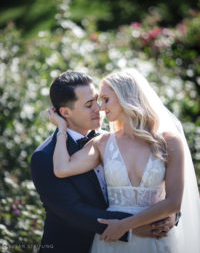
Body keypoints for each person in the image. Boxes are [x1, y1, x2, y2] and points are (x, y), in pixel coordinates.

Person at [48, 69, 200, 253]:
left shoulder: (169, 141)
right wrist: (62, 128)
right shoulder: (102, 143)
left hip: (156, 240)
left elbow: (174, 202)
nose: (101, 108)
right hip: (112, 243)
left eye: (105, 99)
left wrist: (125, 225)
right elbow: (62, 168)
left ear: (125, 97)